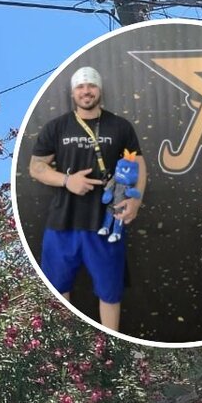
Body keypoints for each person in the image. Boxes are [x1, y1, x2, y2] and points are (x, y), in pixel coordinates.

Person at [28, 67, 146, 333]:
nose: (86, 91)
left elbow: (137, 163)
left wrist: (135, 202)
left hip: (105, 221)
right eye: (80, 87)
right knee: (57, 290)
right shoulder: (56, 127)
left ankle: (112, 344)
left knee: (110, 292)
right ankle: (65, 349)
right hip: (62, 222)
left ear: (99, 90)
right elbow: (36, 167)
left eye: (91, 85)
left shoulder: (120, 126)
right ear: (72, 92)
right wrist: (67, 181)